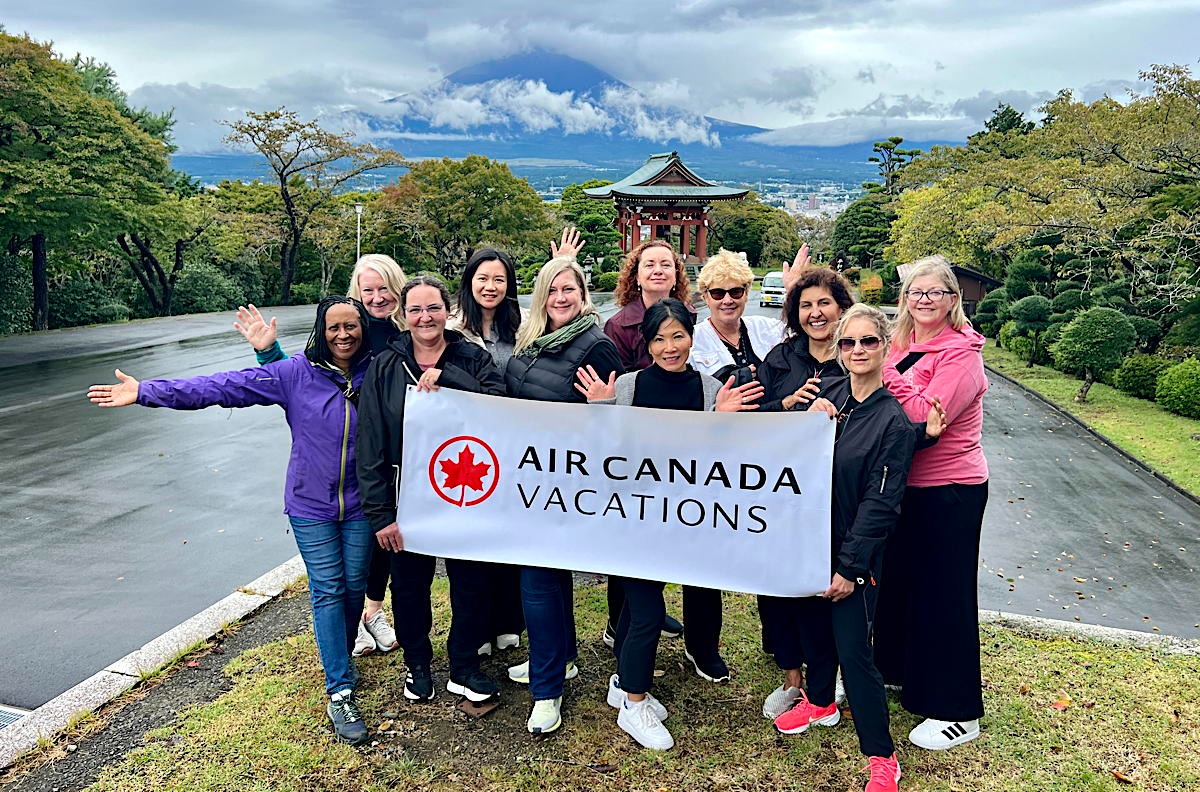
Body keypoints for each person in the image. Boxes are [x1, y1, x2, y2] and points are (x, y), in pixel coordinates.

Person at [88, 297, 377, 746]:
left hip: (362, 507)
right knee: (329, 590)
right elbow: (219, 387)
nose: (344, 335)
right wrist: (145, 392)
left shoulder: (379, 372)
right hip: (310, 507)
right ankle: (339, 689)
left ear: (365, 330)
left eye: (352, 326)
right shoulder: (294, 373)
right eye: (334, 326)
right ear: (322, 330)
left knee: (355, 588)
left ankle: (340, 658)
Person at [575, 298, 763, 750]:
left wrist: (723, 423)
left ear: (692, 336)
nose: (670, 346)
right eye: (659, 338)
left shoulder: (709, 388)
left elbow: (723, 459)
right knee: (645, 612)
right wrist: (600, 410)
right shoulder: (627, 387)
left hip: (687, 523)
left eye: (678, 336)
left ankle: (623, 684)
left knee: (653, 605)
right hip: (634, 521)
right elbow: (601, 451)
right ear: (647, 343)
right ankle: (634, 702)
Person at [772, 304, 942, 792]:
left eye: (869, 342)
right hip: (807, 542)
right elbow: (782, 446)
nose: (858, 351)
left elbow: (881, 501)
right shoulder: (828, 393)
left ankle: (881, 755)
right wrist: (807, 415)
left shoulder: (890, 417)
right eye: (849, 343)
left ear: (885, 347)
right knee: (812, 632)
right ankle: (820, 700)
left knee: (853, 650)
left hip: (853, 553)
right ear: (839, 350)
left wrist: (851, 567)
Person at [236, 253, 408, 659]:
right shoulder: (348, 330)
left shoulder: (410, 332)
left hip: (397, 465)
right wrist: (268, 352)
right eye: (368, 290)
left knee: (385, 555)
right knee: (345, 578)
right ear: (355, 296)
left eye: (385, 288)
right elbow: (302, 382)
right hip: (338, 485)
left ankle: (369, 615)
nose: (378, 296)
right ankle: (357, 630)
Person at [355, 275, 507, 704]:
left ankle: (463, 664)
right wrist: (381, 515)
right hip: (407, 494)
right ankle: (417, 665)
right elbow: (370, 443)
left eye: (433, 308)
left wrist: (453, 378)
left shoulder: (471, 357)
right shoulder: (387, 364)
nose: (425, 317)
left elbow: (500, 406)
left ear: (448, 310)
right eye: (416, 310)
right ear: (404, 315)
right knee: (408, 585)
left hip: (465, 488)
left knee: (472, 581)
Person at [872, 254, 989, 750]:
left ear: (952, 298)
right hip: (903, 485)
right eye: (915, 293)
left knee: (945, 594)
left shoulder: (961, 353)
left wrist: (885, 375)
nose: (923, 301)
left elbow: (926, 419)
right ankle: (899, 672)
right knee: (899, 588)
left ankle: (956, 708)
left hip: (950, 488)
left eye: (934, 293)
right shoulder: (900, 343)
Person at [504, 247, 623, 735]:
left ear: (583, 294)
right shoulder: (532, 339)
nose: (560, 296)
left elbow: (612, 424)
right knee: (546, 580)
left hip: (566, 481)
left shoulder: (595, 346)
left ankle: (546, 688)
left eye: (568, 288)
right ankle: (562, 658)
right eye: (552, 288)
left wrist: (606, 406)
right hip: (527, 475)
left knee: (538, 583)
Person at [756, 263, 857, 718]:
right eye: (806, 305)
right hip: (779, 496)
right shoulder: (781, 358)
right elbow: (750, 415)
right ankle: (791, 678)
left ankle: (827, 673)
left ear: (841, 308)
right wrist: (786, 404)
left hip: (835, 497)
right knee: (778, 589)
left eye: (825, 304)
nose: (816, 314)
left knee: (825, 588)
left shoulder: (856, 355)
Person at [600, 239, 689, 649]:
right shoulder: (619, 325)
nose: (657, 271)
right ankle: (620, 621)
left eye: (665, 264)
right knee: (628, 537)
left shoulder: (688, 319)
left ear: (676, 273)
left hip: (678, 443)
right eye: (648, 264)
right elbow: (617, 386)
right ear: (635, 274)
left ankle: (649, 606)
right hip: (635, 441)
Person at [448, 246, 527, 656]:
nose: (490, 286)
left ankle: (507, 619)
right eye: (482, 278)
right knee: (470, 544)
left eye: (499, 279)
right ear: (469, 282)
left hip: (513, 445)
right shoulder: (451, 330)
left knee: (507, 535)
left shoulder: (523, 328)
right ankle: (474, 628)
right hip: (469, 448)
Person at [690, 248, 785, 383]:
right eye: (718, 293)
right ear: (705, 297)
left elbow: (805, 333)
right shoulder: (693, 341)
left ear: (746, 294)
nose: (727, 301)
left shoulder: (768, 329)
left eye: (736, 292)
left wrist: (795, 288)